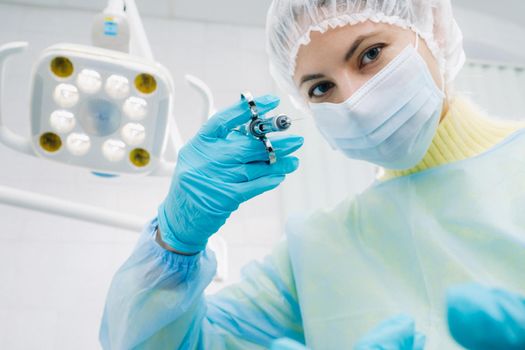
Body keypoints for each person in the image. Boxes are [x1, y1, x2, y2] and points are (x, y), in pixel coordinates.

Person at [100, 0, 525, 348]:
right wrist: (174, 241)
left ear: (433, 26)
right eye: (321, 88)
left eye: (370, 55)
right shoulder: (314, 253)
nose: (354, 102)